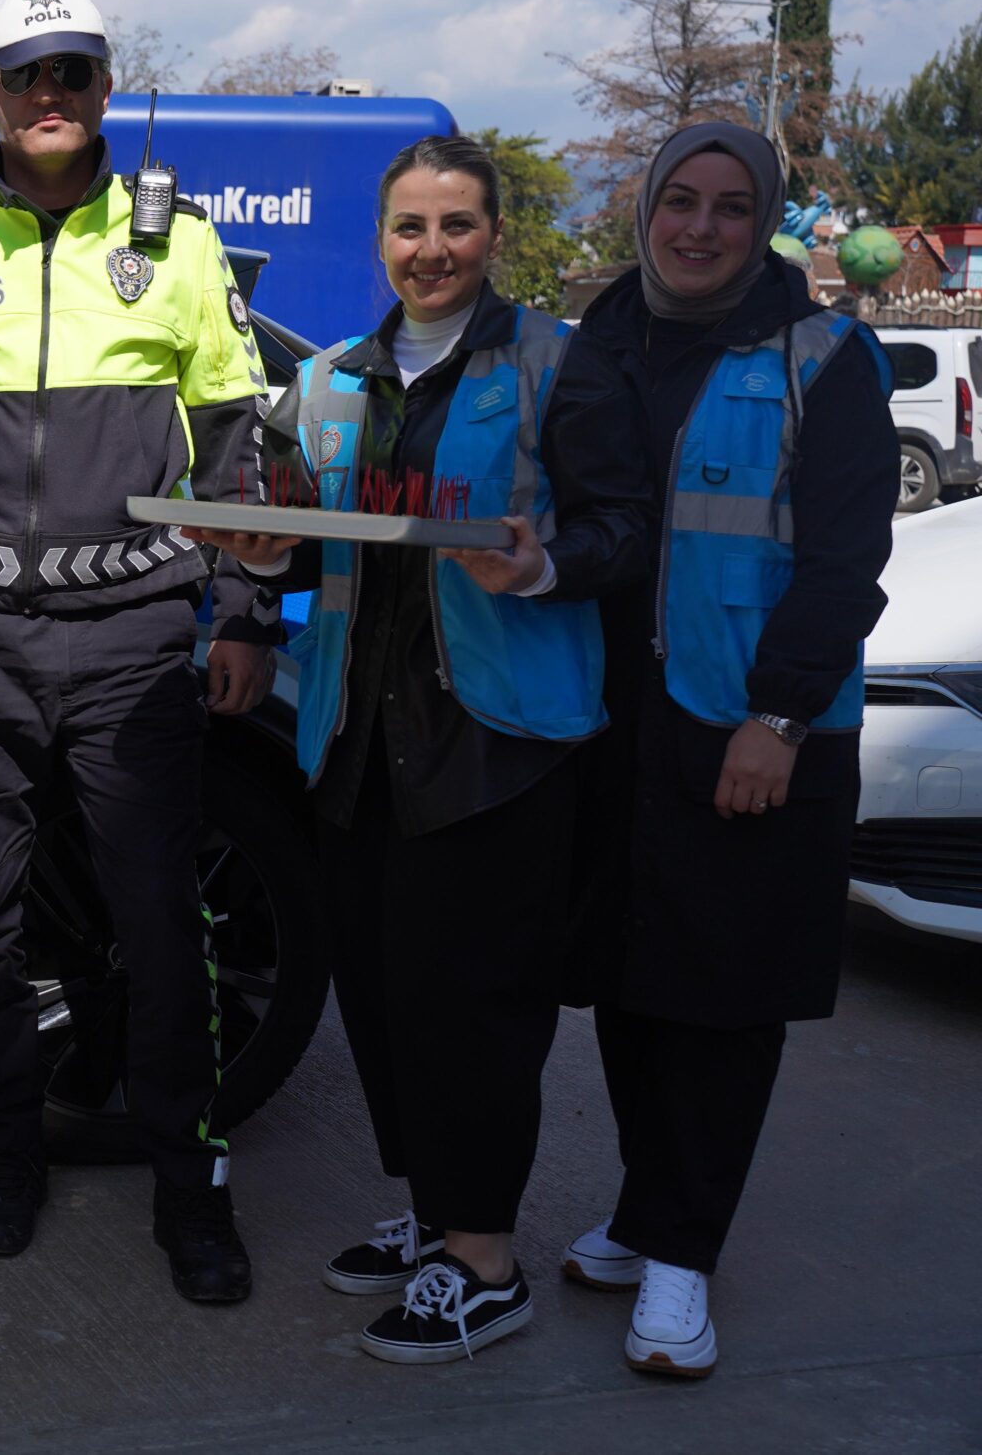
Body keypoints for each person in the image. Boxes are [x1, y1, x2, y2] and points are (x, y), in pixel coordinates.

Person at [189, 135, 649, 1363]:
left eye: (455, 226)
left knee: (475, 1008)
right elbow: (296, 525)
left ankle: (484, 1259)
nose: (431, 250)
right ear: (382, 240)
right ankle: (432, 1214)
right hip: (354, 734)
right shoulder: (334, 377)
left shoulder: (558, 365)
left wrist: (546, 563)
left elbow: (623, 530)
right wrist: (263, 554)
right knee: (383, 1002)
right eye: (409, 227)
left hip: (498, 739)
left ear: (493, 235)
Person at [0, 0, 281, 1299]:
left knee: (161, 924)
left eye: (71, 72)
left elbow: (234, 441)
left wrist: (243, 610)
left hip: (131, 635)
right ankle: (7, 1154)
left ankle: (193, 1185)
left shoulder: (180, 242)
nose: (47, 96)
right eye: (21, 75)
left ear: (105, 87)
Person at [563, 122, 893, 1380]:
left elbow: (842, 559)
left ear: (764, 227)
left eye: (731, 207)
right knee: (634, 982)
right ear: (644, 209)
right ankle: (648, 1214)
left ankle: (684, 1261)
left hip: (747, 726)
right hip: (619, 726)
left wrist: (777, 717)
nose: (699, 227)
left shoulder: (826, 357)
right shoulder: (600, 343)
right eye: (680, 201)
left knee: (722, 1001)